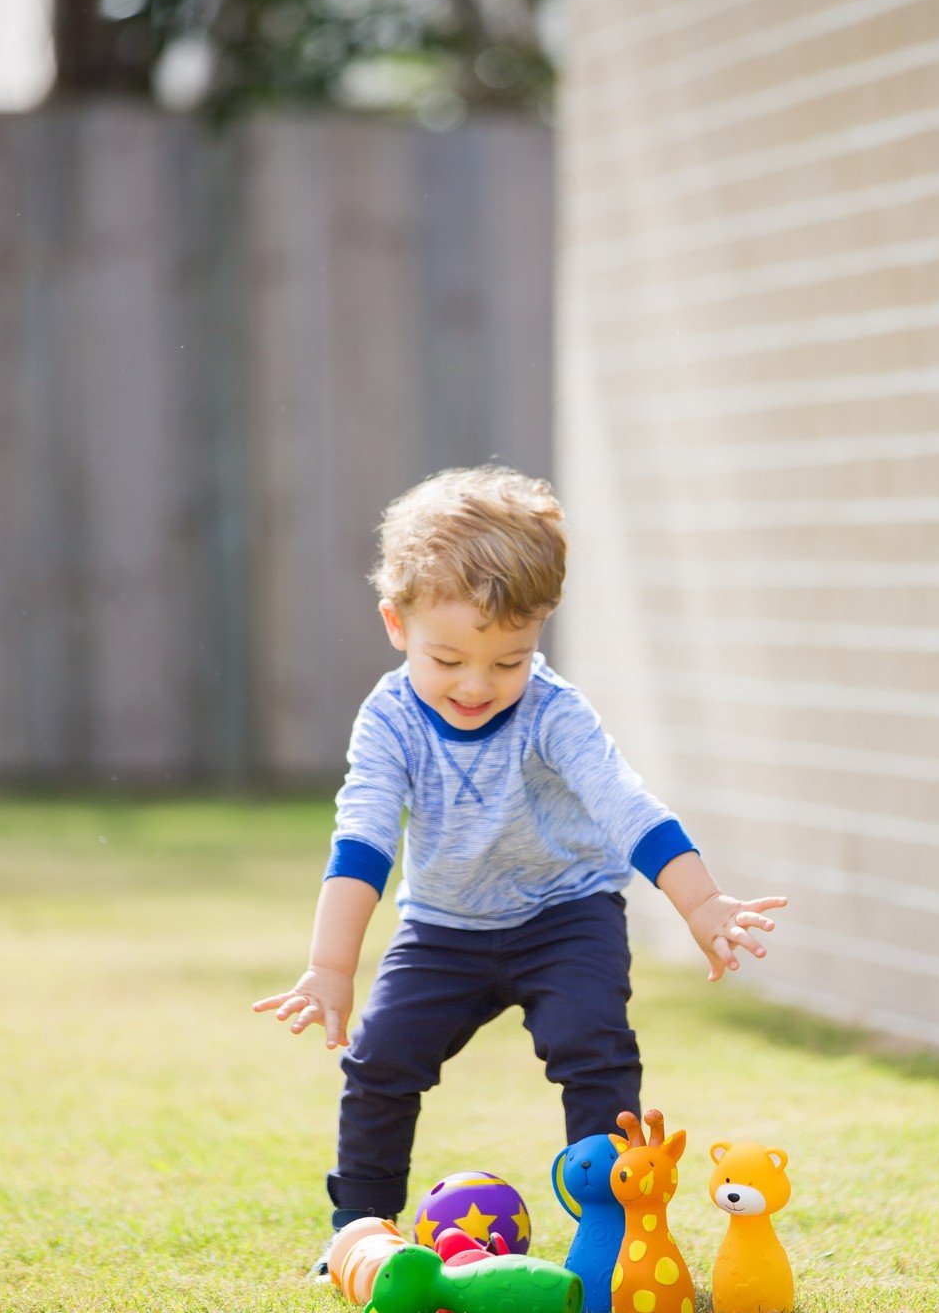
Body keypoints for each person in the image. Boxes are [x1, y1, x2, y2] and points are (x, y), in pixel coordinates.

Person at [253, 467, 786, 1266]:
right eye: (449, 659)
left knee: (593, 1045)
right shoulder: (390, 719)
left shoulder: (554, 712)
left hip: (566, 916)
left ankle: (616, 1229)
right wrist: (330, 966)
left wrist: (702, 905)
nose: (477, 685)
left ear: (538, 631)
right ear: (396, 625)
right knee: (379, 1060)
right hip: (443, 927)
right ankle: (359, 1228)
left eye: (509, 661)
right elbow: (363, 841)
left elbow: (627, 807)